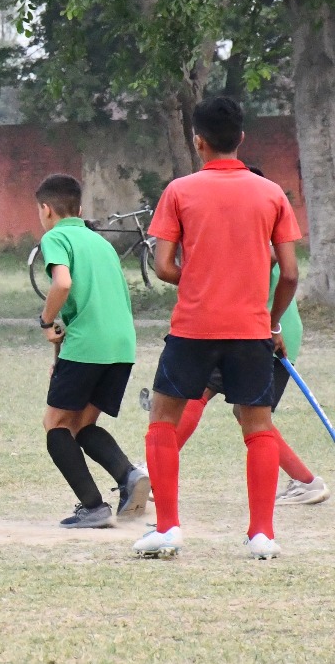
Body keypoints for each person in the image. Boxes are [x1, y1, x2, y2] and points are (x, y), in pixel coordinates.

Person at [134, 96, 301, 560]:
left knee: (163, 419)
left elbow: (164, 265)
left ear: (198, 140)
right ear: (241, 139)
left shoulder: (180, 190)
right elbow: (288, 274)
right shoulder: (271, 194)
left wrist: (204, 276)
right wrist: (270, 322)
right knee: (258, 426)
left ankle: (167, 529)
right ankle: (262, 535)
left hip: (192, 328)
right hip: (250, 331)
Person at [172, 168, 328, 507]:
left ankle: (156, 474)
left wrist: (272, 327)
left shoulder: (262, 228)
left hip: (267, 331)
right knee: (248, 415)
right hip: (260, 329)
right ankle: (307, 481)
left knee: (203, 396)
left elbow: (280, 267)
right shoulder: (256, 224)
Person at [34, 174, 149, 529]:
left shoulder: (55, 236)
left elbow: (63, 283)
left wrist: (45, 319)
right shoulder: (99, 241)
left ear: (46, 209)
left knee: (55, 424)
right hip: (122, 345)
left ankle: (92, 506)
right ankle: (128, 475)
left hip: (88, 345)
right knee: (82, 423)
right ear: (80, 209)